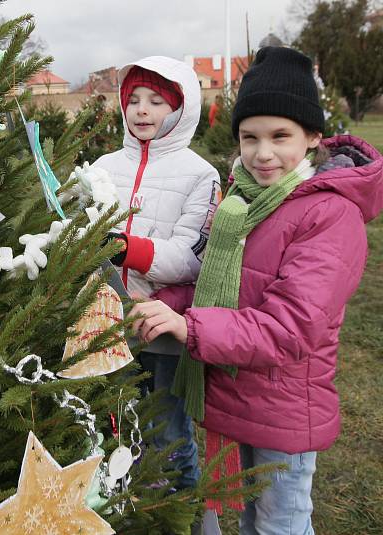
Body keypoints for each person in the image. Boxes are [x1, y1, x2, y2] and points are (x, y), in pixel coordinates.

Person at [128, 46, 383, 534]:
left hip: (284, 406)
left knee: (276, 523)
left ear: (313, 137)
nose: (263, 153)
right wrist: (163, 305)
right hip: (236, 391)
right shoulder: (242, 203)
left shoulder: (329, 215)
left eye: (280, 136)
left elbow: (291, 326)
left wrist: (189, 326)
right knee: (247, 514)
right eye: (250, 138)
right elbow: (221, 285)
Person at [91, 56, 221, 491]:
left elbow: (191, 257)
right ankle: (125, 502)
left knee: (167, 430)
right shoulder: (103, 168)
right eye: (134, 100)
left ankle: (181, 507)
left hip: (163, 329)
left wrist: (128, 250)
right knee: (116, 424)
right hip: (107, 323)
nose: (142, 111)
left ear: (181, 110)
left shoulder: (201, 175)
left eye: (157, 101)